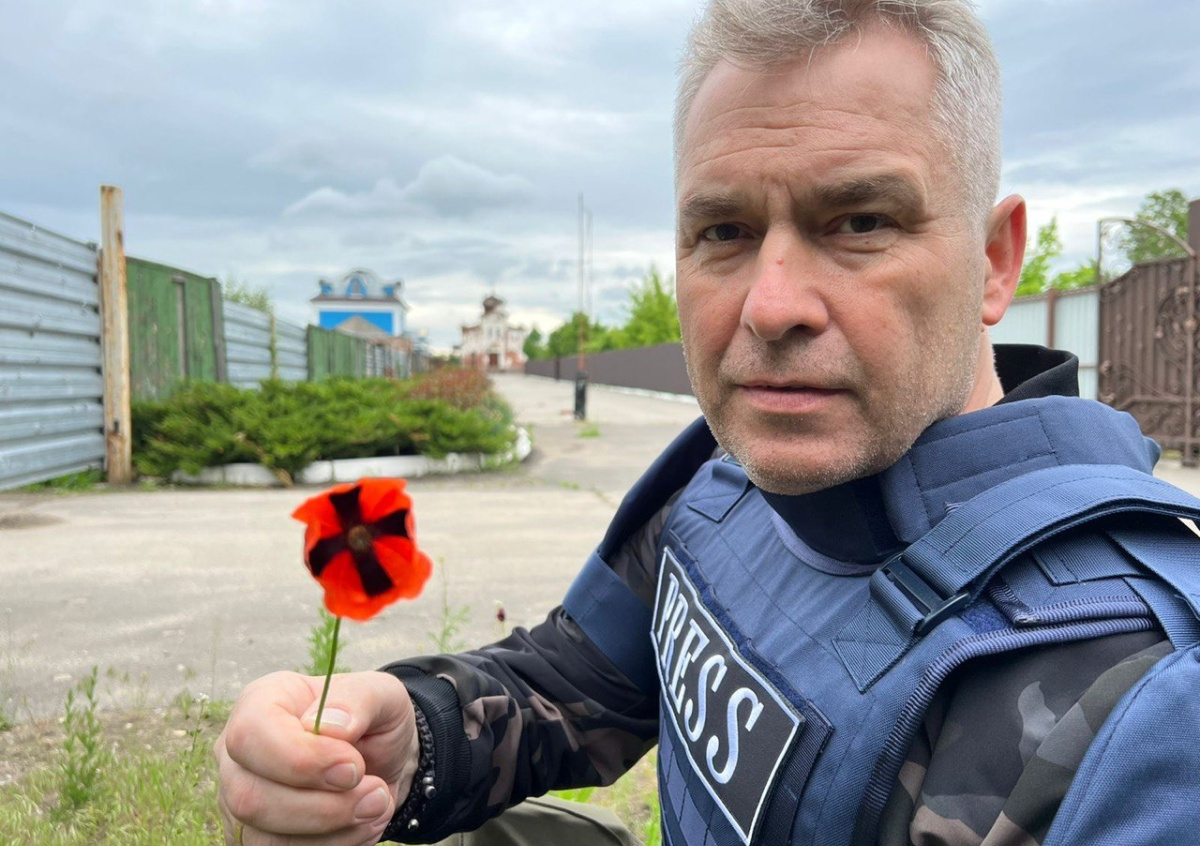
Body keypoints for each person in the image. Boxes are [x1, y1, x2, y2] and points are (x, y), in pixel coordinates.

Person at [216, 1, 1200, 844]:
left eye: (860, 222)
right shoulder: (724, 480)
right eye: (723, 231)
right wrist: (414, 737)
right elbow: (580, 682)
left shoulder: (1138, 692)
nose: (771, 307)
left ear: (994, 261)